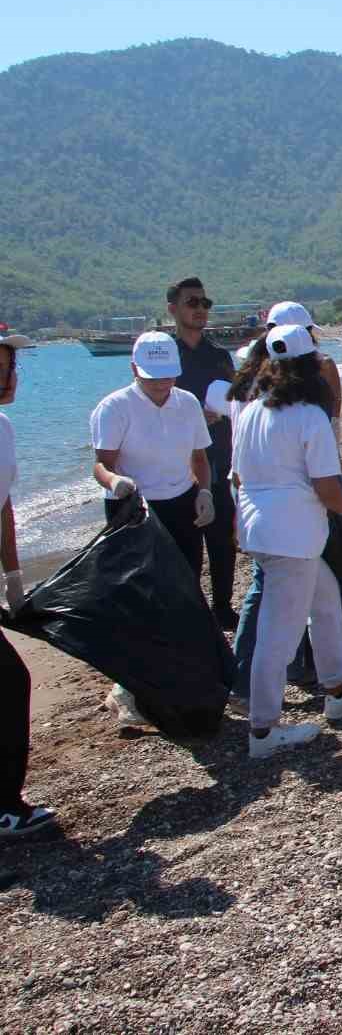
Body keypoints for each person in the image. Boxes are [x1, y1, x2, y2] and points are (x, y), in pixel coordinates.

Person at [233, 323, 342, 757]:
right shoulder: (310, 416)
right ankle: (263, 730)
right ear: (312, 366)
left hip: (259, 527)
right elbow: (327, 486)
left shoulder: (252, 410)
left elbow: (237, 475)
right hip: (294, 533)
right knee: (278, 634)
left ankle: (337, 685)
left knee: (324, 600)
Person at [91, 331, 215, 727]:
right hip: (134, 506)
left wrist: (206, 492)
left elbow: (199, 456)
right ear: (133, 370)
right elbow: (101, 463)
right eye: (152, 377)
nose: (162, 384)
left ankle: (175, 675)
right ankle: (125, 691)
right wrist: (115, 483)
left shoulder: (187, 403)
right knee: (139, 597)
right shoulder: (114, 407)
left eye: (167, 376)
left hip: (180, 502)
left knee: (183, 588)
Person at [0, 332, 57, 837]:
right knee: (10, 681)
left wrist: (14, 575)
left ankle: (7, 803)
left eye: (10, 365)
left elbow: (3, 506)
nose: (11, 376)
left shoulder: (3, 428)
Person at [168, 276, 241, 630]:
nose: (199, 309)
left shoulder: (218, 355)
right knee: (186, 543)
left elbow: (241, 398)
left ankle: (223, 607)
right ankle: (192, 613)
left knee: (223, 539)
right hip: (179, 461)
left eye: (204, 303)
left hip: (220, 456)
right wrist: (195, 411)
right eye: (191, 302)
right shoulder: (165, 355)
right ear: (173, 309)